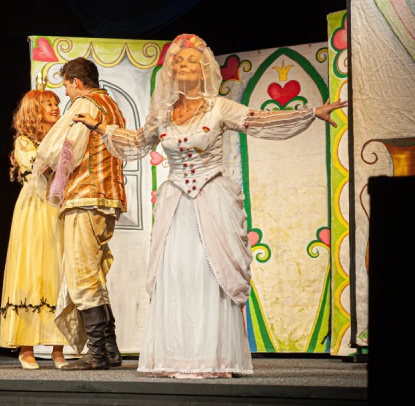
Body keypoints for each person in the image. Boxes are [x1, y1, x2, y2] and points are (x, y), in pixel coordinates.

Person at [73, 34, 347, 379]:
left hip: (211, 199)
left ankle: (212, 358)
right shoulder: (163, 114)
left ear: (204, 71)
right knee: (178, 273)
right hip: (177, 205)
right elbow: (137, 142)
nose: (183, 64)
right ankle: (177, 357)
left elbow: (260, 121)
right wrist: (100, 126)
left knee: (210, 273)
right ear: (171, 70)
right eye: (178, 60)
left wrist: (311, 113)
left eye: (192, 60)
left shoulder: (219, 107)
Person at [30, 57, 126, 371]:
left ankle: (97, 353)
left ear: (77, 82)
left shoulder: (86, 103)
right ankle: (109, 349)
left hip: (86, 195)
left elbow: (63, 147)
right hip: (107, 198)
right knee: (93, 273)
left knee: (82, 272)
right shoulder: (112, 105)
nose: (67, 94)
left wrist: (45, 167)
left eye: (67, 86)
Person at [0, 88, 69, 369]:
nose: (54, 108)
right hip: (34, 208)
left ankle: (58, 348)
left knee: (57, 270)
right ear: (34, 111)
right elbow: (41, 166)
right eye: (48, 104)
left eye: (56, 103)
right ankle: (26, 347)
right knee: (30, 270)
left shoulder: (65, 137)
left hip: (58, 208)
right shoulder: (25, 142)